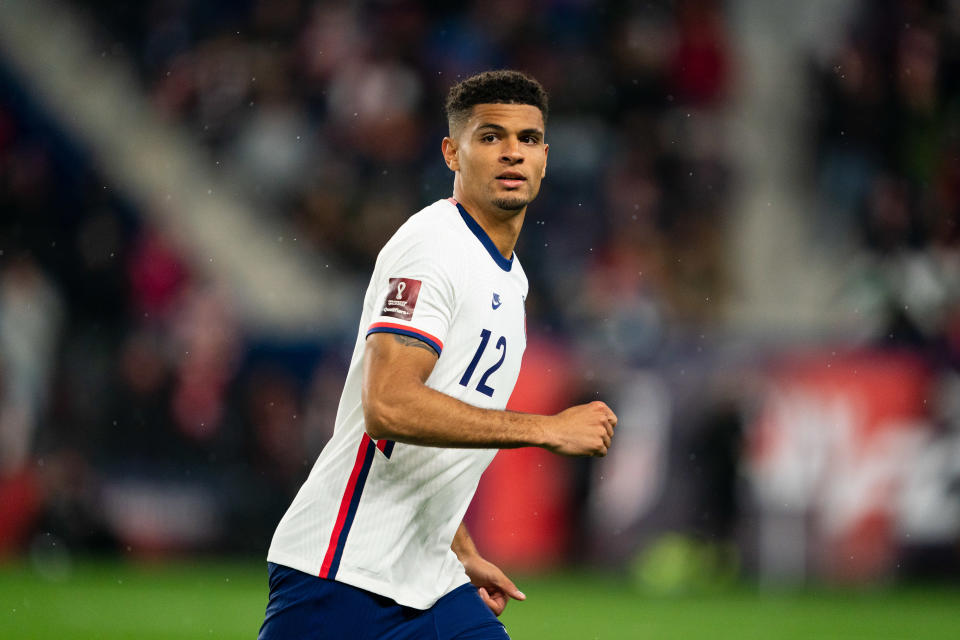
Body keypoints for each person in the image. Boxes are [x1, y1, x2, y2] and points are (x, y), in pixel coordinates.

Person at [259, 69, 618, 640]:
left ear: (546, 158)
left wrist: (458, 545)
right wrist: (546, 429)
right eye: (490, 136)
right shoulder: (431, 248)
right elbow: (389, 407)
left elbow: (424, 440)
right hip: (343, 571)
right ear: (453, 152)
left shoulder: (512, 281)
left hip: (429, 578)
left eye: (527, 140)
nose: (512, 154)